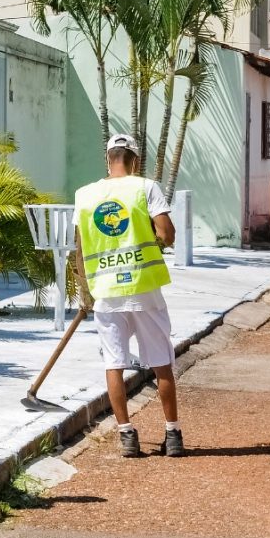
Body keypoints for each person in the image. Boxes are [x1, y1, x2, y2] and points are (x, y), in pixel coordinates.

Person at [73, 134, 182, 458]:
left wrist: (85, 292)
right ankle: (173, 435)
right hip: (144, 287)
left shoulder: (85, 195)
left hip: (105, 291)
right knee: (161, 362)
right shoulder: (144, 187)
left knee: (114, 363)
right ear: (134, 160)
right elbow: (167, 234)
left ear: (108, 159)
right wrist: (147, 237)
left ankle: (127, 436)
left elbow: (79, 247)